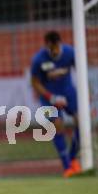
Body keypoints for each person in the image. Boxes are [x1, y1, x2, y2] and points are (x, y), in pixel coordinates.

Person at [31, 31, 81, 178]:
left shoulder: (70, 53)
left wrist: (86, 91)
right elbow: (34, 83)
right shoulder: (39, 59)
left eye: (56, 47)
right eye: (51, 48)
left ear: (60, 44)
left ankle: (72, 159)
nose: (54, 51)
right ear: (46, 45)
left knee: (82, 122)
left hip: (68, 92)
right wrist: (50, 97)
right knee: (58, 124)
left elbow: (82, 69)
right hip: (49, 96)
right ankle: (67, 166)